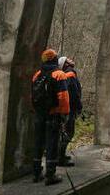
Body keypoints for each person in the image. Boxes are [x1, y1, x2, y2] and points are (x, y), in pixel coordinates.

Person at [31, 49, 70, 185]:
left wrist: (36, 111)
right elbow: (63, 97)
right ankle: (50, 175)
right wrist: (64, 114)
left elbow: (33, 96)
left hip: (39, 115)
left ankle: (36, 173)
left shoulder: (37, 75)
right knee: (52, 143)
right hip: (53, 115)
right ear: (54, 59)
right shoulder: (59, 74)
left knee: (38, 143)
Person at [57, 56, 83, 167]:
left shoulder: (68, 74)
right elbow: (74, 94)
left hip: (68, 108)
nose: (71, 59)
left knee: (65, 132)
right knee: (68, 132)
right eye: (68, 59)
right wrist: (79, 106)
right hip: (70, 108)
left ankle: (61, 155)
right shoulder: (70, 74)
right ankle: (60, 157)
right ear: (66, 64)